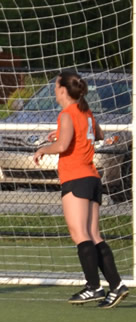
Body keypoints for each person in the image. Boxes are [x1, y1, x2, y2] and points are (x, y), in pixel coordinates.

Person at [33, 71, 128, 308]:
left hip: (76, 178)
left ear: (63, 90)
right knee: (94, 235)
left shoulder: (67, 113)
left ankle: (93, 287)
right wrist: (64, 133)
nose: (55, 90)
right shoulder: (85, 111)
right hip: (93, 178)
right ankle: (116, 286)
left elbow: (64, 145)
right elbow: (98, 134)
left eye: (56, 86)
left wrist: (44, 148)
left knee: (80, 235)